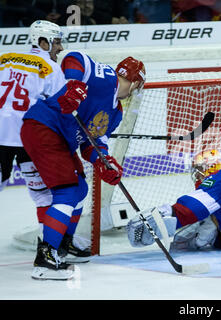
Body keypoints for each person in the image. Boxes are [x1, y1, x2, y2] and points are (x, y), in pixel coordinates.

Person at [20, 52, 146, 280]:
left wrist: (106, 164)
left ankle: (62, 247)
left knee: (80, 189)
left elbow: (92, 145)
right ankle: (45, 260)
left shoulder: (116, 112)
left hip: (59, 139)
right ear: (136, 82)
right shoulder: (107, 78)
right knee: (67, 191)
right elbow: (74, 57)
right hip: (43, 127)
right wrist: (72, 85)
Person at [0, 20, 64, 238]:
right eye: (57, 42)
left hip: (1, 136)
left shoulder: (4, 59)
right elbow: (60, 108)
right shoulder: (52, 68)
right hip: (29, 139)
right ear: (43, 42)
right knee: (43, 195)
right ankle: (48, 247)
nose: (60, 48)